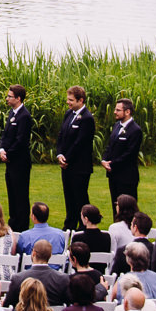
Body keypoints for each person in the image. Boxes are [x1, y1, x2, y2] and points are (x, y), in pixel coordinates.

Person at [55, 86, 97, 231]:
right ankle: (70, 223)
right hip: (66, 165)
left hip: (79, 166)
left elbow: (80, 142)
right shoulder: (69, 114)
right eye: (68, 99)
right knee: (69, 196)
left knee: (80, 197)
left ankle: (84, 225)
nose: (68, 102)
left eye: (71, 100)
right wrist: (60, 154)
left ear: (81, 100)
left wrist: (67, 159)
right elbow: (61, 136)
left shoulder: (87, 118)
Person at [0, 83, 34, 232]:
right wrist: (1, 149)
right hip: (10, 161)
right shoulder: (12, 113)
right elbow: (6, 135)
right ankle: (13, 220)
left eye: (10, 96)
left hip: (20, 162)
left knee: (20, 194)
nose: (7, 98)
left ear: (18, 98)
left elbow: (21, 140)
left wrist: (9, 153)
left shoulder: (24, 116)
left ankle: (21, 224)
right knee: (12, 192)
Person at [100, 98, 143, 213]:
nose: (115, 112)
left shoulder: (135, 130)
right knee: (116, 206)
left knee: (127, 209)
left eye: (118, 110)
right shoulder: (116, 126)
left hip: (127, 176)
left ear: (127, 112)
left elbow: (130, 154)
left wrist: (112, 164)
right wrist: (104, 159)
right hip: (113, 174)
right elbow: (110, 146)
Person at [5, 240, 72, 306]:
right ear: (50, 255)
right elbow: (67, 303)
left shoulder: (18, 278)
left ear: (33, 253)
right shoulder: (63, 279)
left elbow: (8, 304)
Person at [108, 195, 143, 271]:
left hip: (121, 266)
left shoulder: (114, 227)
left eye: (117, 204)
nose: (116, 206)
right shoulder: (140, 225)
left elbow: (112, 252)